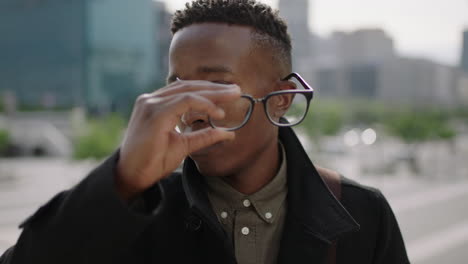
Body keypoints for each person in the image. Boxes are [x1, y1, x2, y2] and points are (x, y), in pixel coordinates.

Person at [0, 0, 410, 263]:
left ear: (283, 97)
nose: (190, 109)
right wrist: (121, 181)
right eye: (178, 86)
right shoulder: (137, 212)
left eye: (213, 85)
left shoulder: (362, 214)